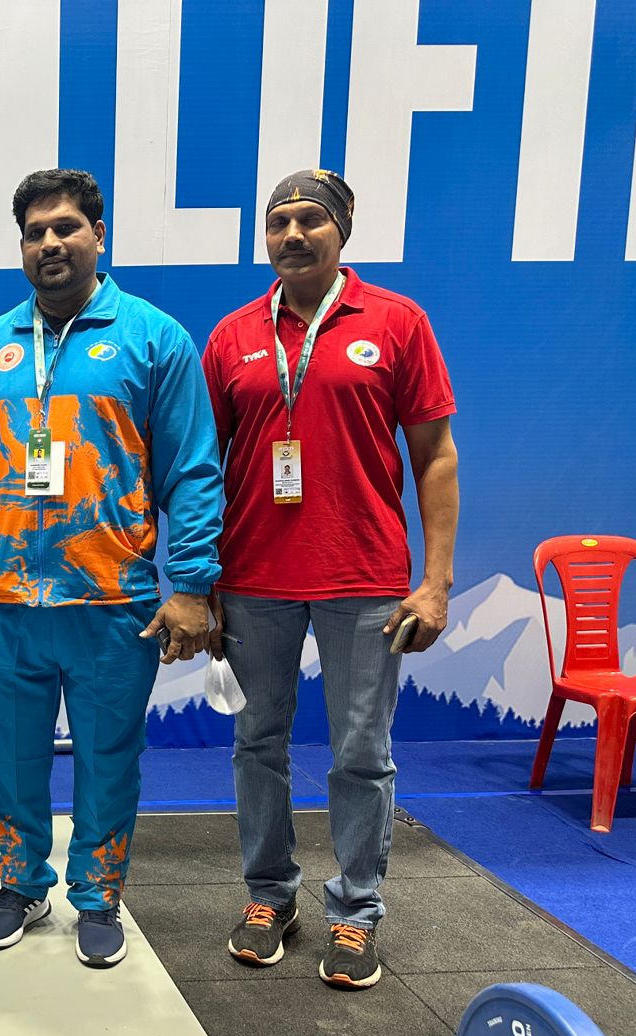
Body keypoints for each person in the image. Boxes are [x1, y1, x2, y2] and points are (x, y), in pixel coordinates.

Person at [0, 169, 223, 969]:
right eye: (34, 232)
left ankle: (98, 895)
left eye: (65, 227)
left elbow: (192, 469)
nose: (50, 243)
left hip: (113, 599)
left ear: (98, 236)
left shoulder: (153, 339)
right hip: (6, 600)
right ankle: (22, 882)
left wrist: (192, 584)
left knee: (108, 760)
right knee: (13, 760)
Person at [203, 169, 459, 989]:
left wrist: (436, 582)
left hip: (364, 574)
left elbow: (436, 455)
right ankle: (269, 897)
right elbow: (202, 467)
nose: (292, 234)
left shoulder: (396, 322)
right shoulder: (233, 336)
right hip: (254, 577)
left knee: (360, 751)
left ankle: (356, 911)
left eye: (310, 219)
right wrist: (202, 580)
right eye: (277, 221)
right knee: (257, 743)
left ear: (341, 231)